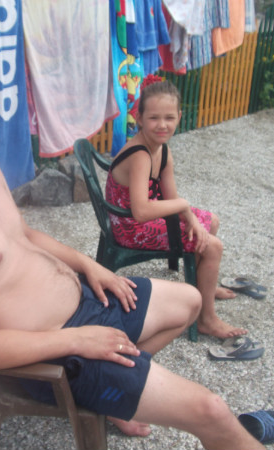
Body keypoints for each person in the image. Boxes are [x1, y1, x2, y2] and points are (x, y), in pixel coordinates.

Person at [0, 61, 269, 449]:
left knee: (190, 301)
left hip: (86, 304)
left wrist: (90, 266)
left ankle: (118, 395)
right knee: (211, 411)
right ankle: (116, 389)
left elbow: (24, 235)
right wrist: (77, 340)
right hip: (57, 355)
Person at [105, 76, 246, 339]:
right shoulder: (140, 155)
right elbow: (141, 211)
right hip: (131, 228)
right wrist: (184, 206)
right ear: (139, 118)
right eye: (154, 118)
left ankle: (204, 285)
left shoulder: (162, 150)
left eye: (169, 118)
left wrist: (190, 218)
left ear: (179, 117)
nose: (162, 125)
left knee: (211, 222)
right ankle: (207, 319)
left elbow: (170, 196)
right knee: (213, 246)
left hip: (145, 220)